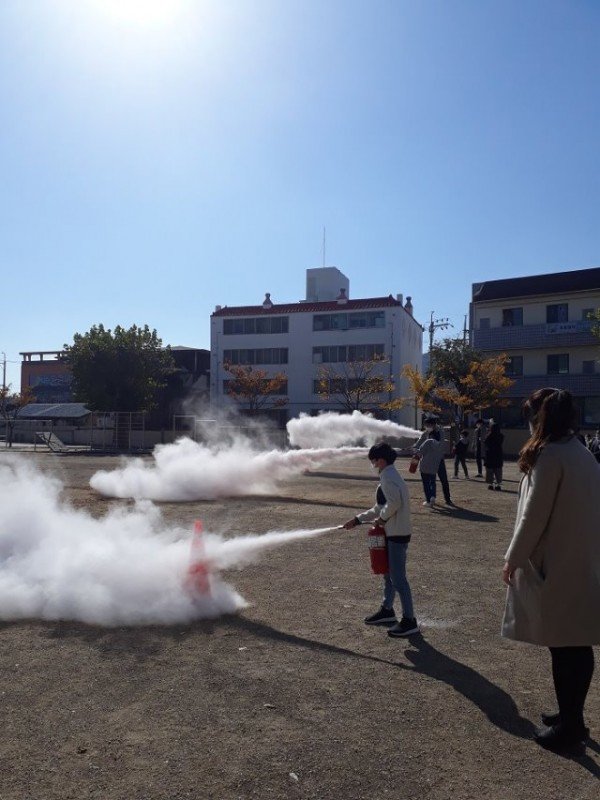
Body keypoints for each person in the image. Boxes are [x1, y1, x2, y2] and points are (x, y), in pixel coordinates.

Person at [502, 388, 600, 755]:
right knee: (577, 641)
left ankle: (570, 725)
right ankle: (572, 715)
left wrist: (513, 558)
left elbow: (533, 516)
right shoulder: (581, 454)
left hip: (556, 562)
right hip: (582, 559)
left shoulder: (551, 456)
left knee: (563, 646)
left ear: (540, 418)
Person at [343, 442, 418, 638]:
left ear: (381, 460)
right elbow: (380, 507)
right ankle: (387, 610)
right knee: (388, 574)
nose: (373, 464)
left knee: (398, 579)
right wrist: (358, 519)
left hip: (396, 534)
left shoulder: (388, 477)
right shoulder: (390, 475)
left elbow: (393, 504)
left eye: (374, 461)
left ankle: (409, 621)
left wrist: (382, 520)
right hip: (394, 532)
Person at [414, 416, 454, 506]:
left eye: (427, 425)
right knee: (437, 480)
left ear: (433, 424)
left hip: (435, 460)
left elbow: (437, 445)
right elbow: (419, 442)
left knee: (441, 480)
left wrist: (418, 449)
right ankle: (437, 498)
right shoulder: (427, 433)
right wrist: (415, 447)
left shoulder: (440, 432)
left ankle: (446, 499)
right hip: (437, 460)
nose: (426, 427)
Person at [415, 431, 445, 507]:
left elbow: (420, 453)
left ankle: (428, 501)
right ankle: (433, 497)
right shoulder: (440, 445)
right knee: (432, 483)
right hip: (434, 467)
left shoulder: (428, 441)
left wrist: (416, 451)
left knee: (426, 484)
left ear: (431, 436)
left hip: (425, 466)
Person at [484, 422, 504, 490]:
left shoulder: (489, 436)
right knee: (498, 470)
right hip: (498, 454)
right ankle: (498, 484)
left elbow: (485, 443)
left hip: (490, 455)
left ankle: (491, 484)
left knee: (490, 471)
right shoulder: (501, 436)